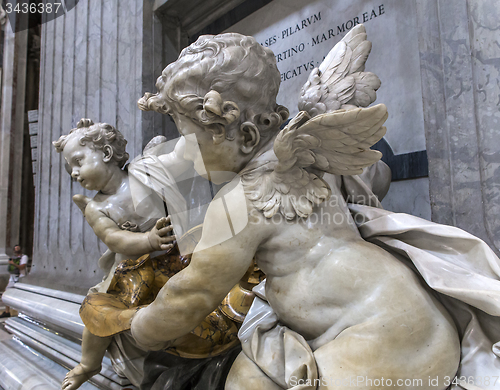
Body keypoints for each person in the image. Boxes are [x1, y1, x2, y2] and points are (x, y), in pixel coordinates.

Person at [129, 32, 500, 389]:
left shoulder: (237, 203)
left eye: (193, 143)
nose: (190, 159)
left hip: (380, 342)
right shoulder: (311, 159)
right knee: (246, 377)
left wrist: (143, 326)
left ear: (245, 136)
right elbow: (376, 176)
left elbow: (191, 293)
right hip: (416, 319)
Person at [53, 119, 176, 390]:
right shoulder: (96, 207)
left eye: (78, 161)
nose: (73, 173)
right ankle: (89, 364)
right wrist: (148, 239)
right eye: (69, 168)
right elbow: (114, 239)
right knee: (97, 310)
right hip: (130, 270)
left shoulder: (142, 173)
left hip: (176, 255)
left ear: (106, 154)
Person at [0, 245, 29, 318]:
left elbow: (22, 267)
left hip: (21, 278)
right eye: (15, 249)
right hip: (12, 278)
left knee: (21, 296)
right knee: (6, 293)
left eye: (18, 248)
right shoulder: (13, 258)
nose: (16, 250)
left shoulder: (24, 257)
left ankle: (21, 313)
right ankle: (7, 312)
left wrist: (13, 264)